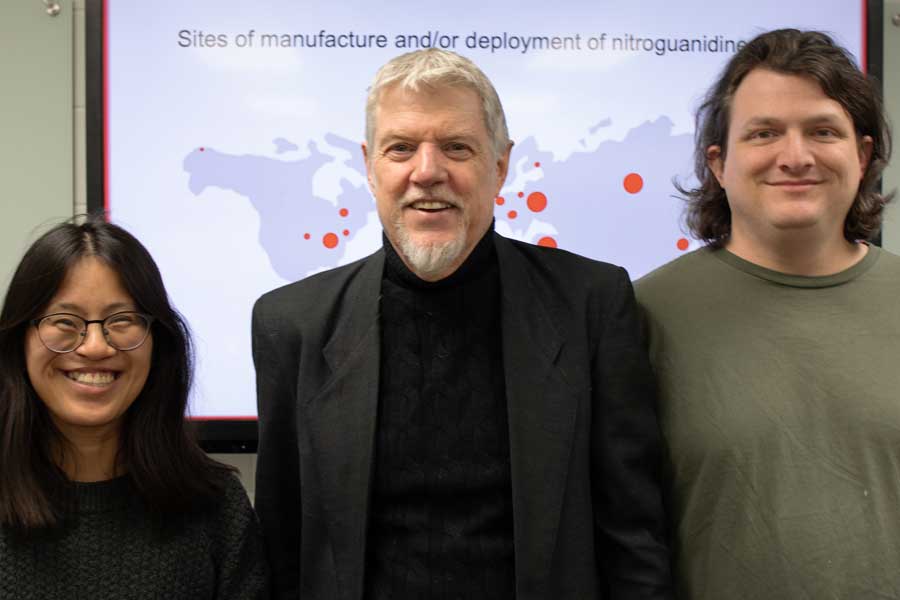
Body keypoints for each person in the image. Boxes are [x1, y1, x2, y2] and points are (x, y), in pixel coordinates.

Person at [252, 48, 672, 600]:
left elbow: (633, 535)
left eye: (457, 147)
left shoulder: (591, 303)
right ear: (370, 166)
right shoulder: (292, 324)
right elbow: (282, 545)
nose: (428, 172)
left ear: (499, 165)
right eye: (401, 148)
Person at [635, 29, 897, 598]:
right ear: (719, 163)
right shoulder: (641, 317)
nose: (795, 157)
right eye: (764, 133)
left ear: (862, 155)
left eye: (822, 131)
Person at [0, 218, 270, 599]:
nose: (95, 346)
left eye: (122, 320)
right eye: (64, 321)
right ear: (19, 342)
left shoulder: (217, 508)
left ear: (158, 343)